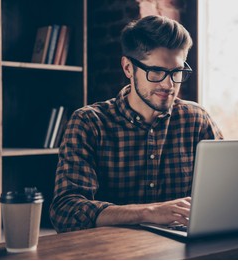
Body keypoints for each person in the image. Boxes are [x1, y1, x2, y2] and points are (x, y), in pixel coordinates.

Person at [49, 15, 223, 233]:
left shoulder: (197, 120)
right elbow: (65, 211)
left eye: (176, 72)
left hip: (185, 252)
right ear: (128, 68)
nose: (168, 84)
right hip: (112, 256)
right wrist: (148, 213)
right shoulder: (88, 123)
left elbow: (227, 192)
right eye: (156, 71)